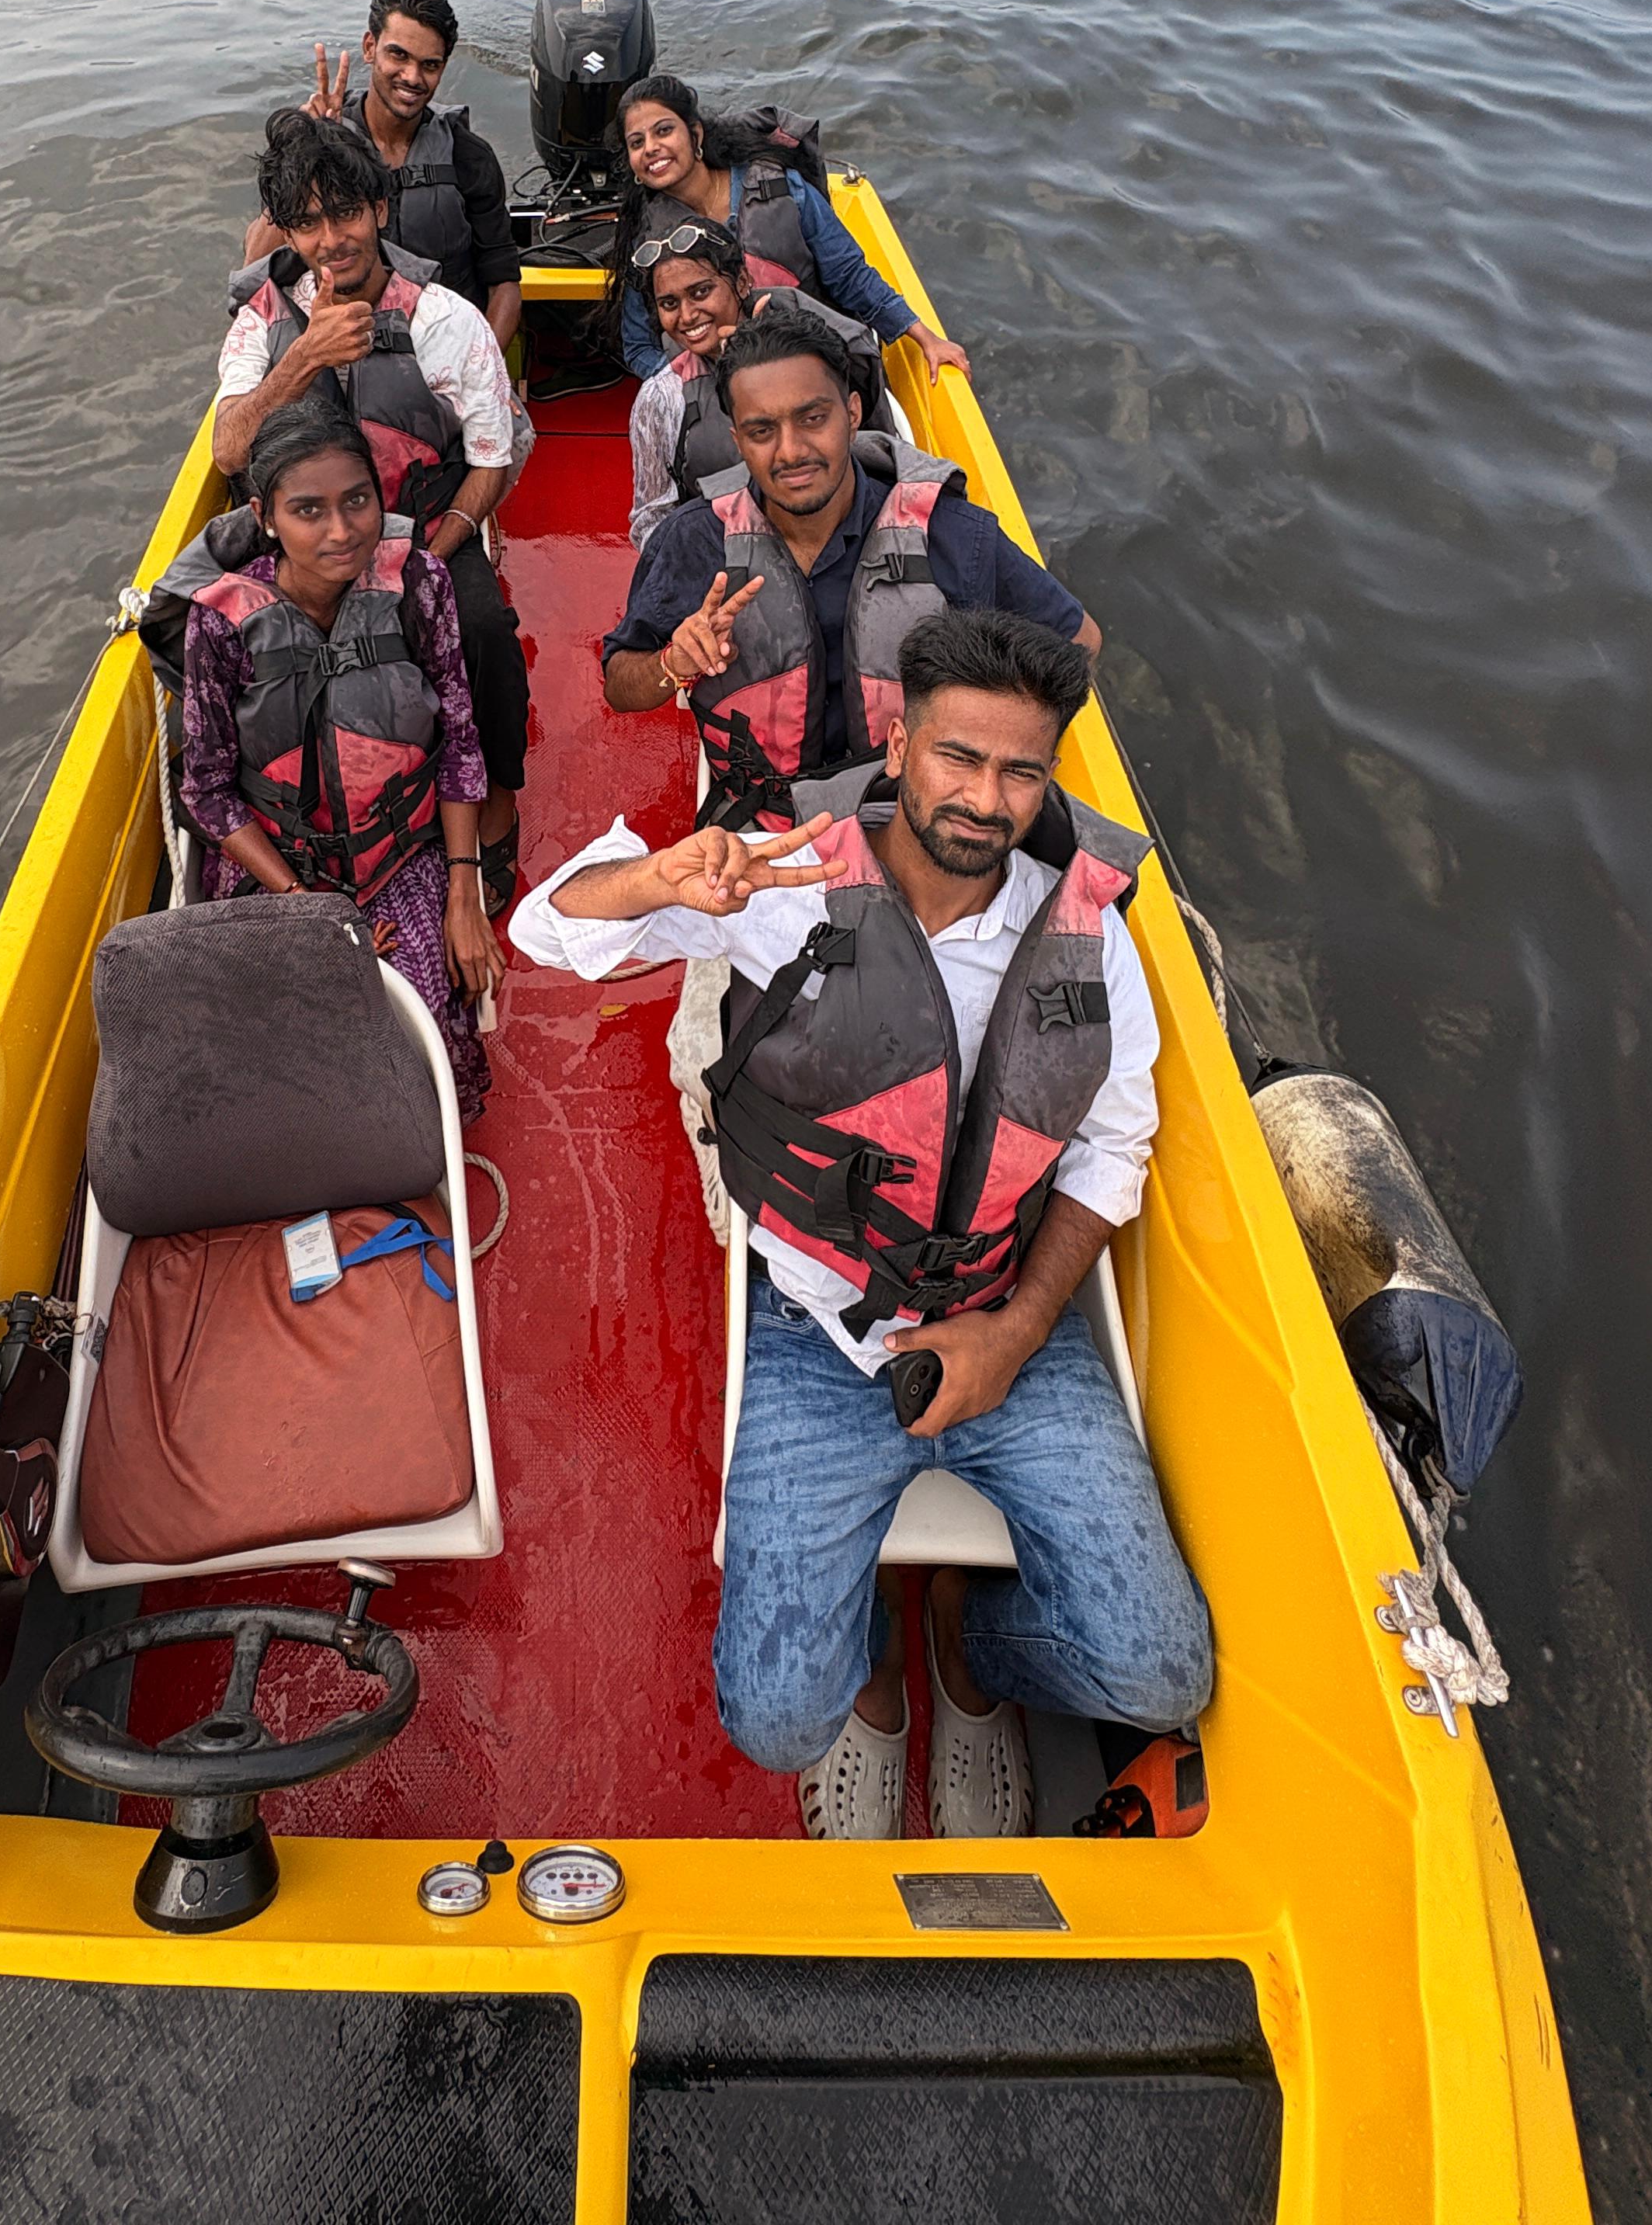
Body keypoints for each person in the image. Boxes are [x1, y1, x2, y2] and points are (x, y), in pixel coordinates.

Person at [512, 609, 1213, 1838]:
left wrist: (1015, 1330)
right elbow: (547, 932)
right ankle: (872, 1672)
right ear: (897, 746)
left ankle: (964, 1642)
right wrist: (657, 875)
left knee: (1164, 1677)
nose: (986, 799)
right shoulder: (783, 878)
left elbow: (1112, 1149)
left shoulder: (1087, 934)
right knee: (775, 1721)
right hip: (816, 1327)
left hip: (1011, 1325)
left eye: (1021, 770)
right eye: (959, 757)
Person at [603, 304, 1100, 831]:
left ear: (854, 411)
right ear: (737, 441)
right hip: (766, 827)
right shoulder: (694, 541)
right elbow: (620, 685)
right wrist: (674, 663)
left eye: (813, 418)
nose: (790, 451)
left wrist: (983, 741)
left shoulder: (950, 534)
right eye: (762, 431)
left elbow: (1077, 639)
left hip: (916, 824)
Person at [215, 116, 530, 911]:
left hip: (422, 531)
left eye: (348, 213)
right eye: (311, 223)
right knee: (209, 639)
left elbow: (491, 459)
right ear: (287, 232)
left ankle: (497, 802)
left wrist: (429, 554)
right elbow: (227, 452)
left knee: (485, 630)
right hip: (299, 544)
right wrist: (307, 355)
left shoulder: (444, 320)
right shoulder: (264, 322)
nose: (333, 239)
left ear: (381, 211)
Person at [175, 401, 503, 1117]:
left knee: (422, 1039)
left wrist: (462, 893)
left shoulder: (420, 584)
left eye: (358, 501)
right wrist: (306, 908)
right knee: (286, 1061)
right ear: (266, 517)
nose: (341, 529)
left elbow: (458, 742)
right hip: (280, 876)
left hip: (400, 857)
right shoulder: (221, 621)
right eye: (308, 510)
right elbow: (207, 791)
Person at [612, 72, 966, 385]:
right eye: (637, 142)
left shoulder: (782, 189)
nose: (652, 149)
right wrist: (685, 382)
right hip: (717, 387)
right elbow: (639, 345)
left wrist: (924, 337)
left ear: (695, 134)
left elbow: (849, 274)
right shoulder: (646, 241)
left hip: (809, 363)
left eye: (664, 131)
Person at [245, 0, 526, 349]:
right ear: (369, 47)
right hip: (344, 350)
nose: (412, 77)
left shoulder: (469, 156)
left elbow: (504, 284)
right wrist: (299, 147)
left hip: (448, 350)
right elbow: (255, 263)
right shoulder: (320, 143)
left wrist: (483, 372)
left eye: (430, 64)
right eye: (399, 55)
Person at [625, 218, 886, 549]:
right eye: (669, 304)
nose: (687, 316)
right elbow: (652, 516)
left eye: (701, 292)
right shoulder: (661, 397)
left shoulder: (812, 353)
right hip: (727, 555)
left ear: (743, 282)